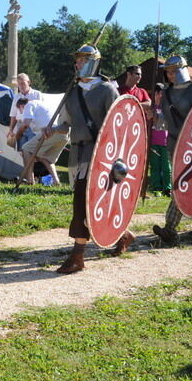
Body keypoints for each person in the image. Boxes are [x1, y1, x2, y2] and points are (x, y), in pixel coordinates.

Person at [50, 43, 136, 273]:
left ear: (93, 63)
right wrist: (54, 129)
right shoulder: (73, 91)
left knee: (82, 203)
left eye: (82, 60)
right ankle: (124, 235)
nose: (77, 64)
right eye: (77, 60)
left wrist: (116, 160)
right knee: (94, 204)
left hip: (102, 157)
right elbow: (67, 123)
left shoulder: (108, 90)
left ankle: (77, 256)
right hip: (79, 153)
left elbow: (120, 126)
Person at [152, 55, 192, 244]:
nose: (170, 75)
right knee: (188, 184)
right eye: (168, 72)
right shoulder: (167, 93)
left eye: (173, 71)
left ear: (182, 70)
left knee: (184, 184)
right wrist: (154, 115)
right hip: (174, 144)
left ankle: (170, 227)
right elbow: (164, 122)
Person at [16, 97, 68, 186]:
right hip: (63, 133)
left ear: (21, 106)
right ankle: (56, 181)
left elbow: (26, 124)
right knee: (45, 157)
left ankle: (30, 180)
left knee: (26, 149)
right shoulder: (42, 104)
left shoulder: (29, 105)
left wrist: (17, 136)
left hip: (50, 132)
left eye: (20, 110)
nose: (21, 112)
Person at [8, 73, 42, 150]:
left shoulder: (37, 95)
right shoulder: (16, 97)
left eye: (23, 83)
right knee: (22, 150)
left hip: (33, 126)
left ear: (29, 82)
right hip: (20, 125)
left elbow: (42, 111)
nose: (21, 86)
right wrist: (10, 130)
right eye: (19, 84)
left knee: (32, 150)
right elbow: (13, 115)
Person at [148, 84, 171, 194]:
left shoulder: (167, 108)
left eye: (162, 93)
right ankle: (156, 187)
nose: (160, 96)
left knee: (166, 166)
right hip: (153, 141)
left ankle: (167, 187)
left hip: (165, 141)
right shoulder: (150, 107)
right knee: (155, 165)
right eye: (158, 93)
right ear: (155, 94)